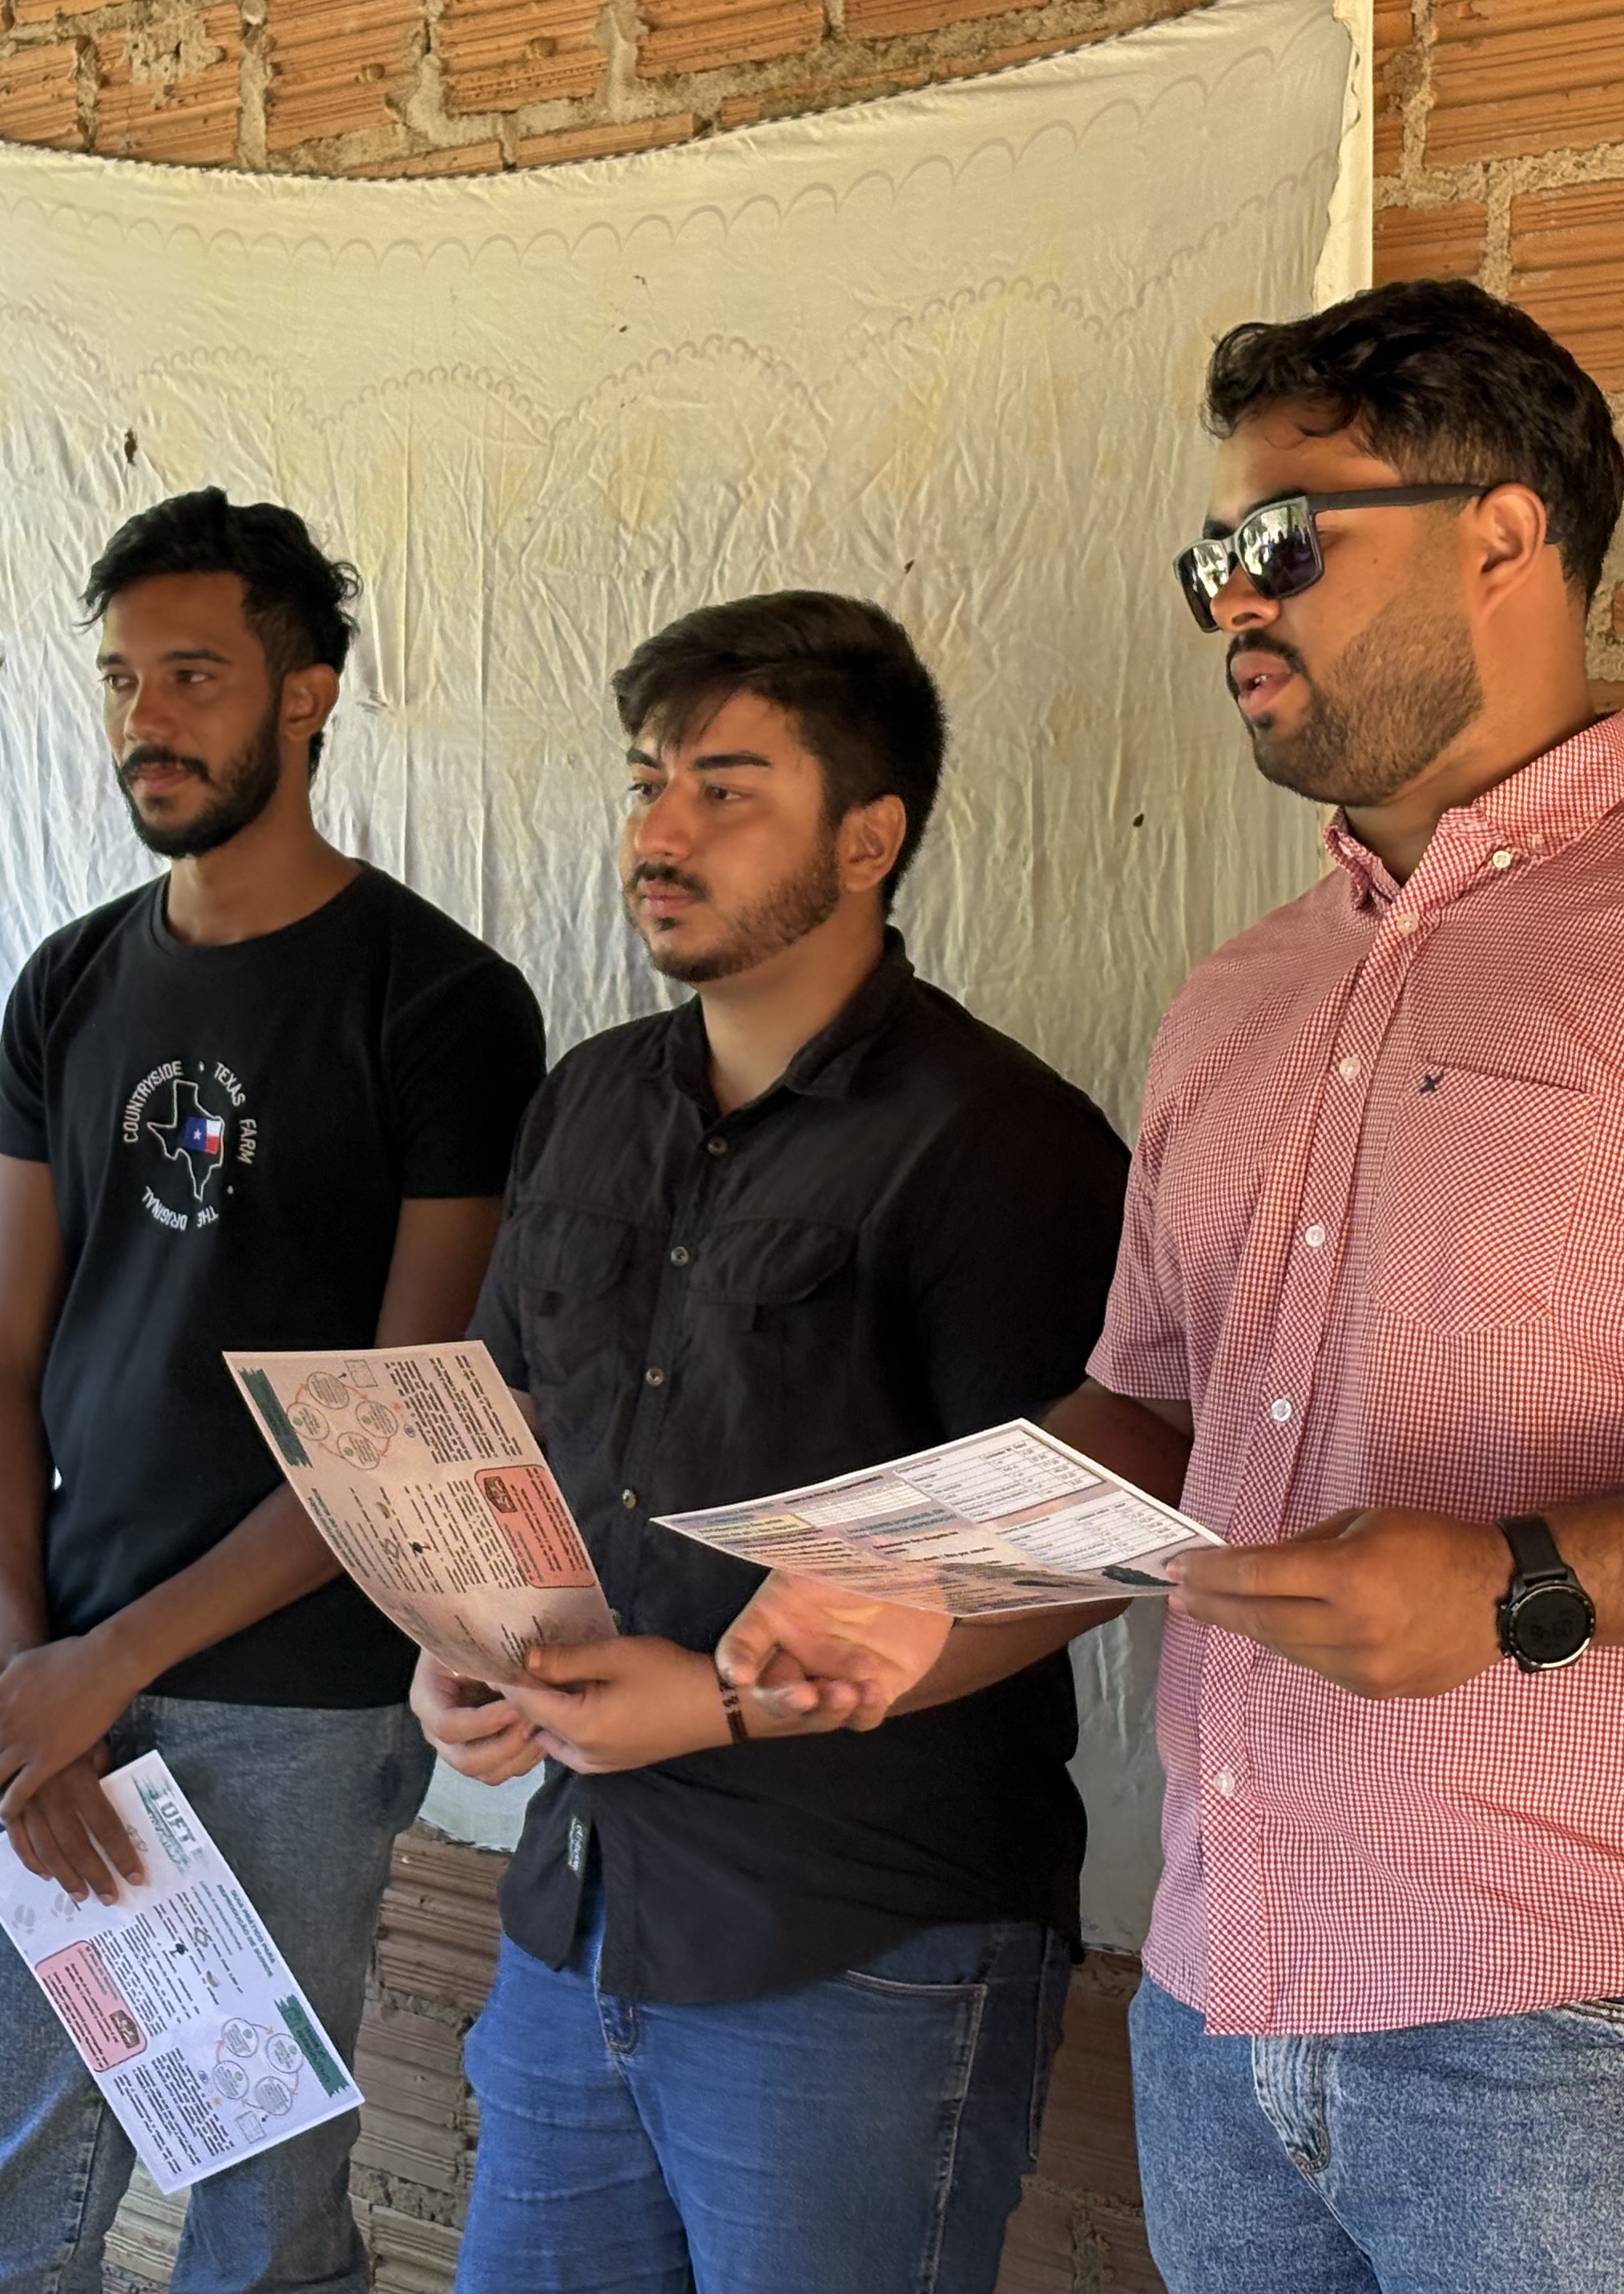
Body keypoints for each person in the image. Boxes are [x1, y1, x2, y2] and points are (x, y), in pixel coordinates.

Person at [737, 280, 1624, 2292]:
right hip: (1224, 1993)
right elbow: (1152, 1419)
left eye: (1279, 543)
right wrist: (918, 1593)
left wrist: (1522, 1586)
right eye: (1210, 561)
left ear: (1504, 535)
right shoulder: (1241, 998)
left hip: (1596, 2029)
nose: (1232, 609)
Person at [411, 591, 1130, 2294]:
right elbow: (506, 1429)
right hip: (581, 1905)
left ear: (868, 838)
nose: (661, 832)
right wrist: (463, 1644)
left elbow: (1082, 1538)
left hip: (859, 1942)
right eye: (648, 781)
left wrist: (726, 1702)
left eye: (726, 789)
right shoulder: (589, 1097)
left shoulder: (1004, 1142)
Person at [0, 488, 546, 2294]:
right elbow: (0, 1360)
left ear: (307, 694)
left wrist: (106, 1668)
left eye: (194, 675)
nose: (148, 717)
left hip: (296, 1699)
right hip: (56, 1673)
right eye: (123, 678)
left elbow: (402, 1435)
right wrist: (29, 1672)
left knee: (261, 2222)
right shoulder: (69, 984)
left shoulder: (442, 1005)